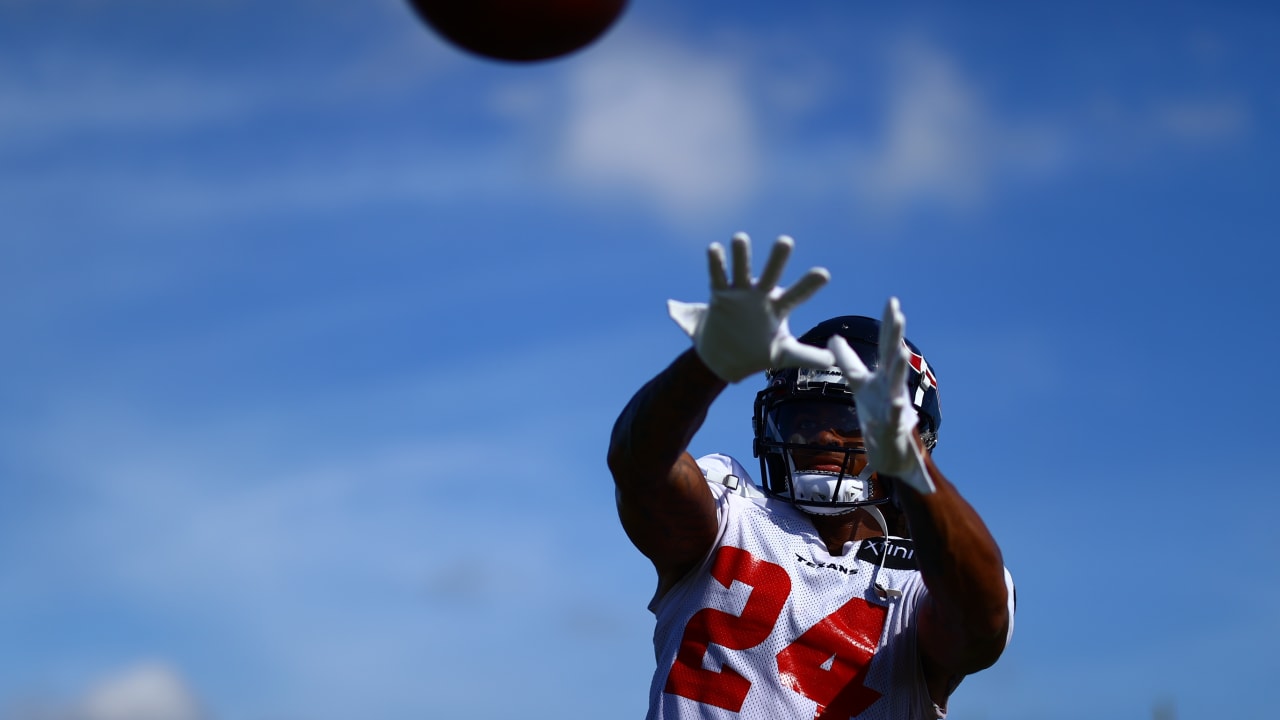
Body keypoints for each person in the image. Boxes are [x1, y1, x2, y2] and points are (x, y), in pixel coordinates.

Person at [608, 233, 1015, 720]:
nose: (819, 436)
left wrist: (911, 468)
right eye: (801, 420)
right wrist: (706, 365)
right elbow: (640, 467)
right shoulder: (732, 514)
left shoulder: (924, 578)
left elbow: (981, 622)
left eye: (848, 421)